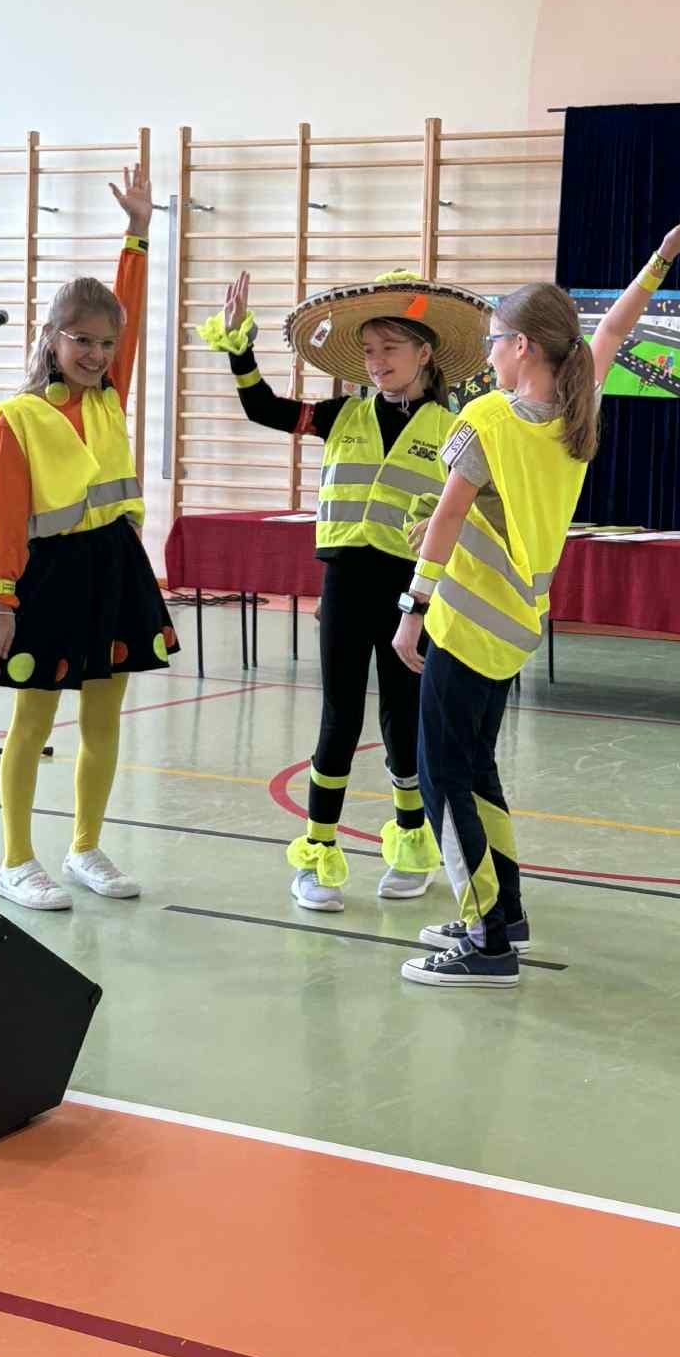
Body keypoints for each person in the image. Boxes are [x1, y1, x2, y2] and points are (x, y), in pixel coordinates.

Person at [391, 211, 680, 988]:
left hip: (465, 622)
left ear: (523, 347)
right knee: (476, 767)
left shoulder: (486, 419)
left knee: (443, 777)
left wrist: (413, 609)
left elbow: (445, 520)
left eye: (493, 342)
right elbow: (612, 329)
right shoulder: (580, 409)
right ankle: (504, 911)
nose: (487, 355)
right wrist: (660, 258)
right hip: (516, 625)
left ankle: (487, 944)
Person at [208, 267, 489, 912]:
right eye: (368, 350)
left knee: (402, 721)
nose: (376, 361)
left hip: (411, 592)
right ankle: (317, 855)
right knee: (339, 718)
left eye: (389, 348)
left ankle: (412, 844)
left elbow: (471, 513)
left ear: (424, 353)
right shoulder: (341, 415)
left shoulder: (452, 430)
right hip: (344, 583)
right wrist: (239, 349)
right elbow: (263, 408)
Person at [0, 162, 178, 912]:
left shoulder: (111, 394)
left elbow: (130, 310)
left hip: (115, 567)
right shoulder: (18, 419)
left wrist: (138, 233)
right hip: (47, 577)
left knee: (104, 718)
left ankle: (85, 845)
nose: (96, 354)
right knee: (33, 720)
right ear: (51, 338)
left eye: (107, 344)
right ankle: (16, 859)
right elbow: (5, 520)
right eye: (82, 340)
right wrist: (2, 604)